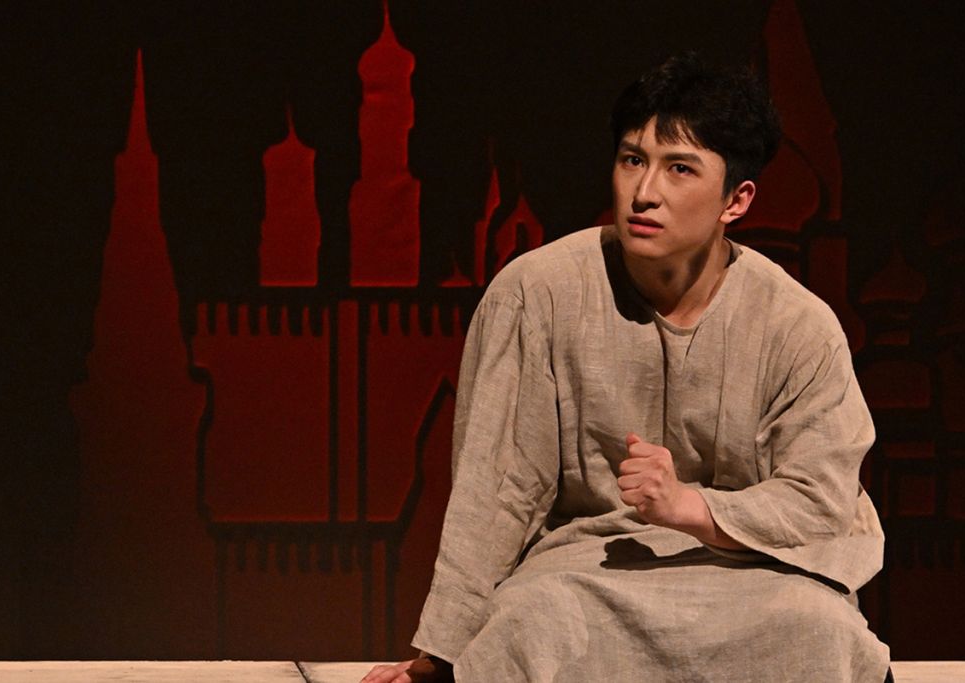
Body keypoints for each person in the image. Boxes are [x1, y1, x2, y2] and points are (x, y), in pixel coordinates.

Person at [363, 52, 890, 683]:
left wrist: (690, 507)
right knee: (528, 622)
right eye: (633, 160)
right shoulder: (538, 294)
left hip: (753, 576)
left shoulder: (797, 325)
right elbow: (497, 490)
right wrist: (444, 654)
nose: (645, 193)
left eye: (680, 169)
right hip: (589, 571)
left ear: (736, 199)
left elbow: (819, 500)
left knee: (820, 630)